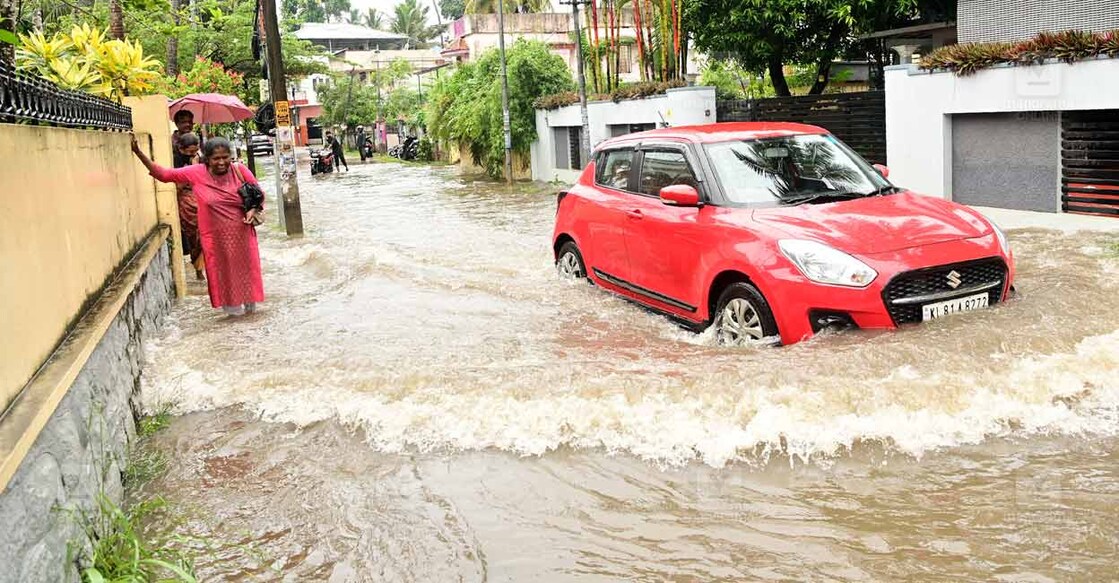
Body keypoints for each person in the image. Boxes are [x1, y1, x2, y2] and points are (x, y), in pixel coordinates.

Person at [131, 135, 265, 316]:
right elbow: (163, 175)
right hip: (215, 240)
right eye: (216, 158)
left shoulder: (239, 170)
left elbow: (258, 194)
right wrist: (139, 153)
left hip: (242, 235)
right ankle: (234, 322)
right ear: (207, 159)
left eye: (225, 157)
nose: (221, 162)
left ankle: (251, 321)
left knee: (247, 278)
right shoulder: (196, 172)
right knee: (223, 278)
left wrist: (253, 209)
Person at [173, 132, 206, 280]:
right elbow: (178, 185)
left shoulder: (200, 159)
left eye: (195, 150)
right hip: (187, 204)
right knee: (195, 237)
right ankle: (199, 270)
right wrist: (192, 171)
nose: (194, 154)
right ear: (181, 149)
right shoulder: (176, 160)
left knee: (205, 235)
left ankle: (204, 269)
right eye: (190, 152)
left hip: (201, 200)